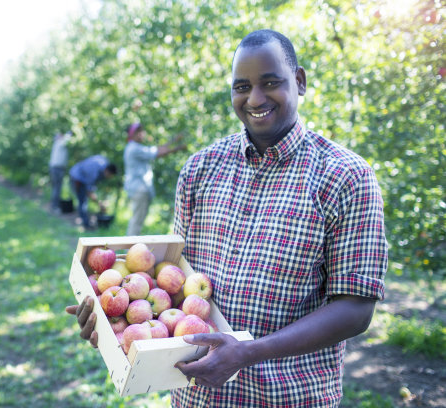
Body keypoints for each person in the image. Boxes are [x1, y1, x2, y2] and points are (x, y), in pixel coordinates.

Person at [66, 29, 387, 407]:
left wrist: (249, 352)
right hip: (197, 397)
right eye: (241, 87)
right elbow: (172, 286)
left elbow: (355, 308)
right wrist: (114, 325)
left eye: (270, 83)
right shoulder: (200, 170)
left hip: (290, 397)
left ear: (299, 81)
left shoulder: (345, 176)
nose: (254, 98)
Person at [124, 122, 186, 235]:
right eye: (139, 132)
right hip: (139, 188)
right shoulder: (134, 149)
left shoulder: (136, 147)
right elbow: (159, 152)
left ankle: (132, 248)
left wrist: (174, 140)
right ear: (132, 134)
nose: (142, 134)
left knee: (138, 220)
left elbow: (157, 149)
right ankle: (130, 250)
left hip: (139, 188)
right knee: (137, 221)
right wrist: (179, 147)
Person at [69, 154, 117, 230]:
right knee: (82, 201)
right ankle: (86, 224)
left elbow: (93, 186)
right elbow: (89, 190)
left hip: (84, 177)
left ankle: (86, 222)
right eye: (109, 176)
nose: (108, 178)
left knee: (85, 200)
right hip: (77, 177)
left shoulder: (104, 164)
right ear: (107, 171)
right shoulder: (93, 170)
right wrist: (99, 203)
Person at [49, 131, 72, 213]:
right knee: (57, 188)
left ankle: (55, 205)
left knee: (56, 188)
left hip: (56, 168)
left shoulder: (57, 143)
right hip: (57, 168)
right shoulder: (59, 143)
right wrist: (69, 133)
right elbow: (66, 139)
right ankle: (55, 206)